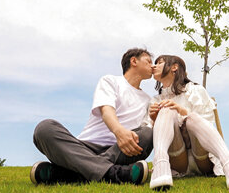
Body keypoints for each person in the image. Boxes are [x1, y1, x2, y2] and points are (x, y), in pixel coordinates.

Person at [30, 48, 155, 185]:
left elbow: (147, 128)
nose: (152, 66)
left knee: (147, 134)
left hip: (120, 150)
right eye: (148, 61)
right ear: (134, 61)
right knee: (44, 128)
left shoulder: (148, 100)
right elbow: (106, 110)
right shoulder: (110, 81)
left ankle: (65, 174)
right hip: (83, 148)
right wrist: (119, 132)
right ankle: (115, 173)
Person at [147, 54, 229, 191]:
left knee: (192, 117)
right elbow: (151, 134)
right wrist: (155, 119)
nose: (154, 66)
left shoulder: (195, 90)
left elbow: (206, 123)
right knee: (166, 110)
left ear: (174, 67)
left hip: (202, 158)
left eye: (159, 62)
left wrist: (182, 111)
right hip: (177, 160)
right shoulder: (155, 100)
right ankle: (160, 166)